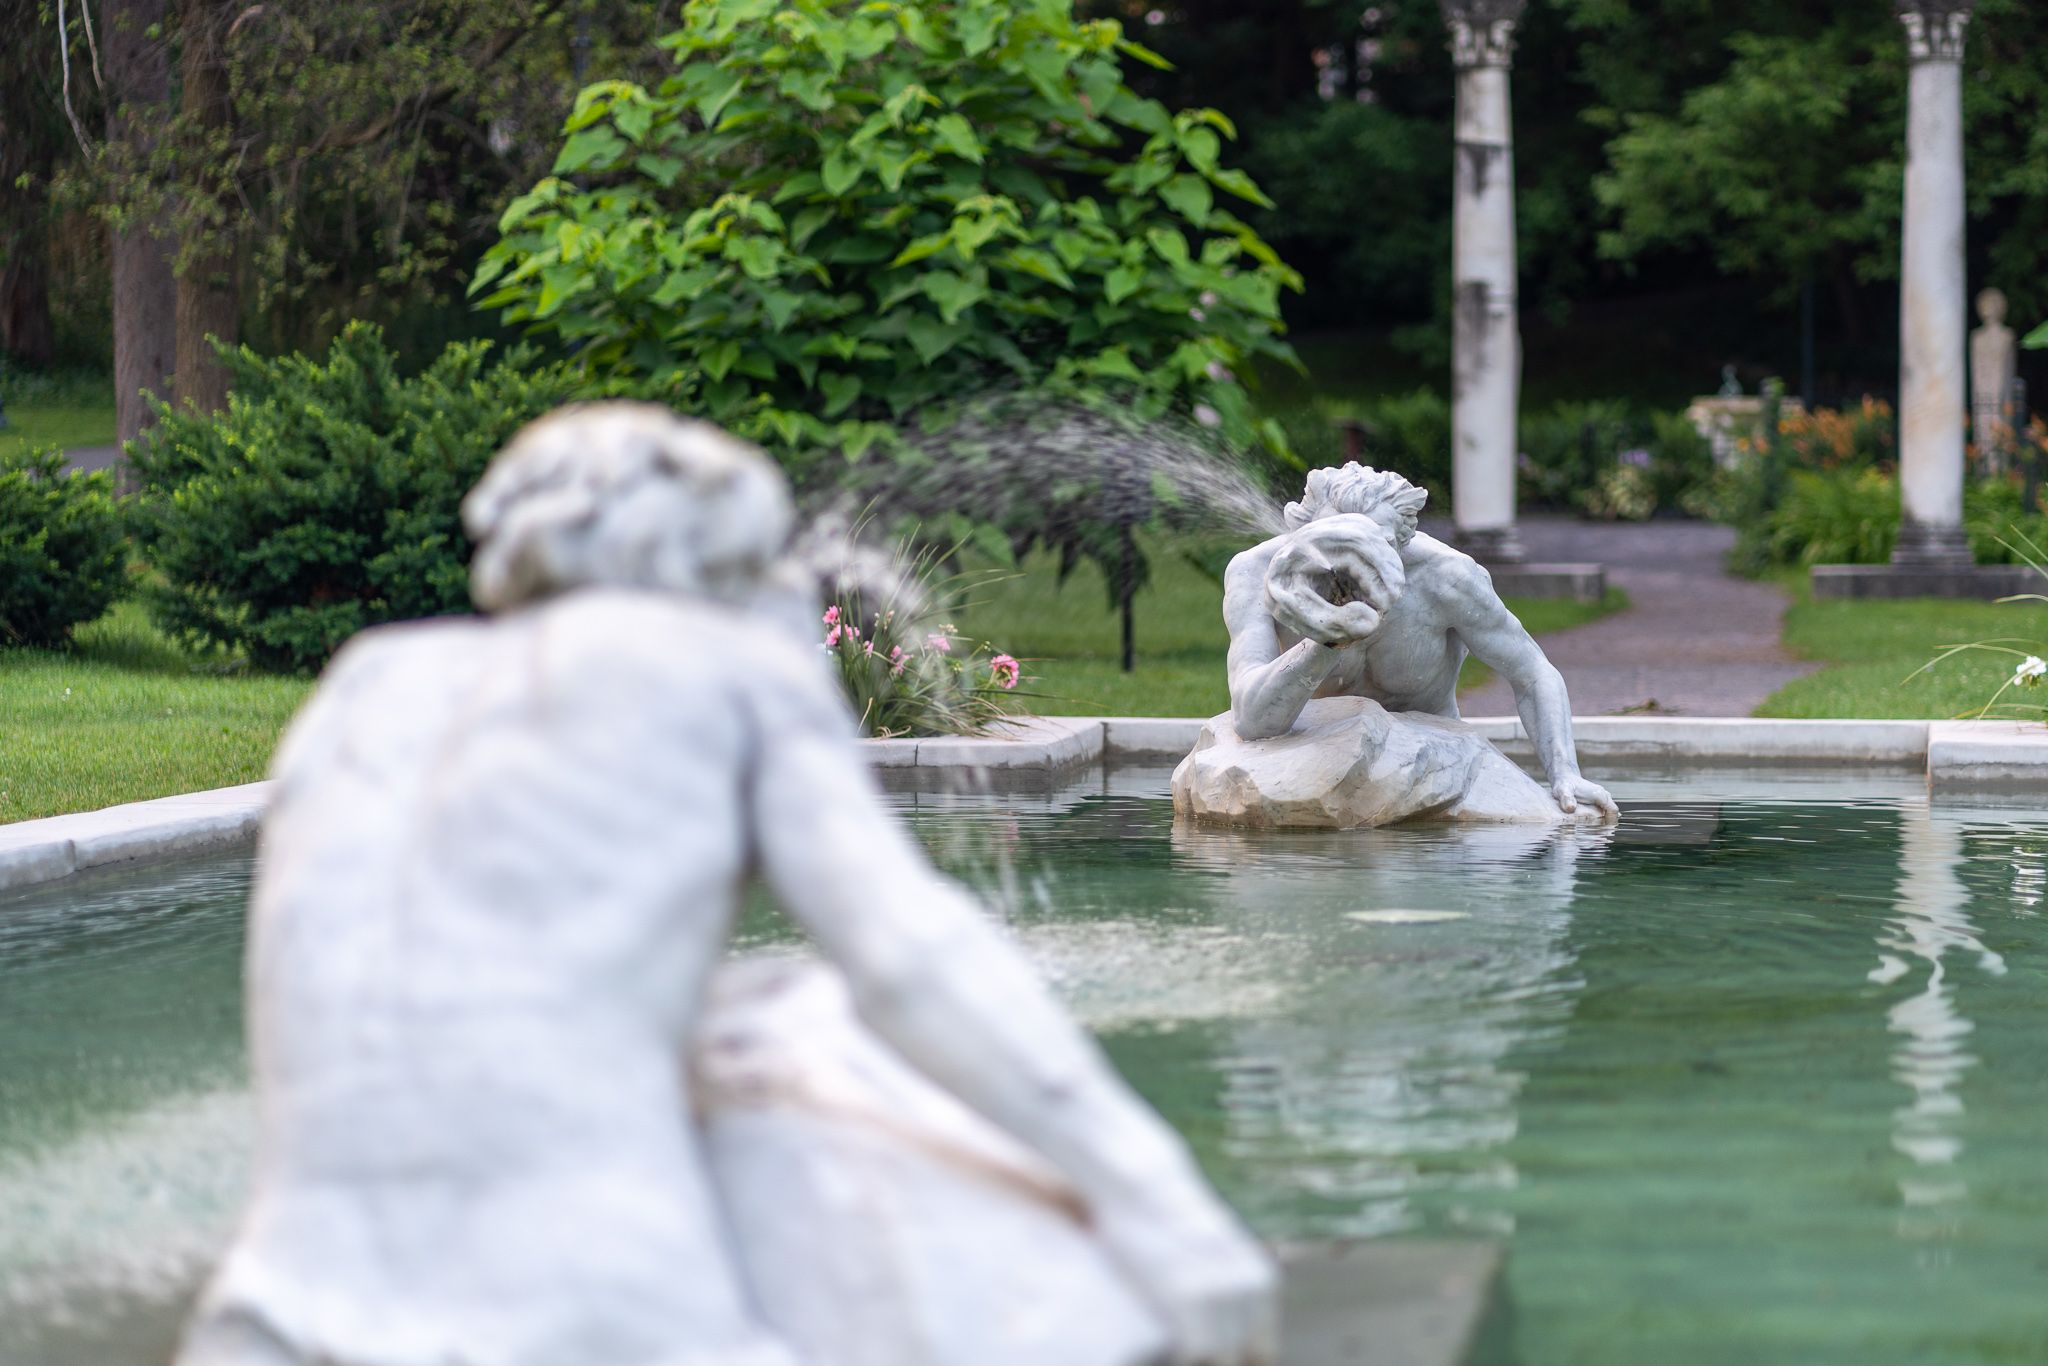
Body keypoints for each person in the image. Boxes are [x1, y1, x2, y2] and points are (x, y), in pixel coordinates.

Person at [178, 403, 1276, 1366]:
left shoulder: (363, 684)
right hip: (576, 1305)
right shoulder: (717, 668)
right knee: (811, 1037)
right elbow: (909, 955)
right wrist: (1163, 1208)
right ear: (708, 567)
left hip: (275, 1306)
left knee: (741, 1018)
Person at [1223, 462, 1616, 820]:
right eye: (1336, 541)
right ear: (1304, 533)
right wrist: (1328, 637)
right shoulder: (1256, 572)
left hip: (1432, 767)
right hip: (1310, 765)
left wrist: (1565, 773)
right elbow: (1254, 721)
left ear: (1403, 540)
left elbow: (1533, 673)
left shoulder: (1446, 576)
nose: (1355, 559)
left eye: (1377, 544)